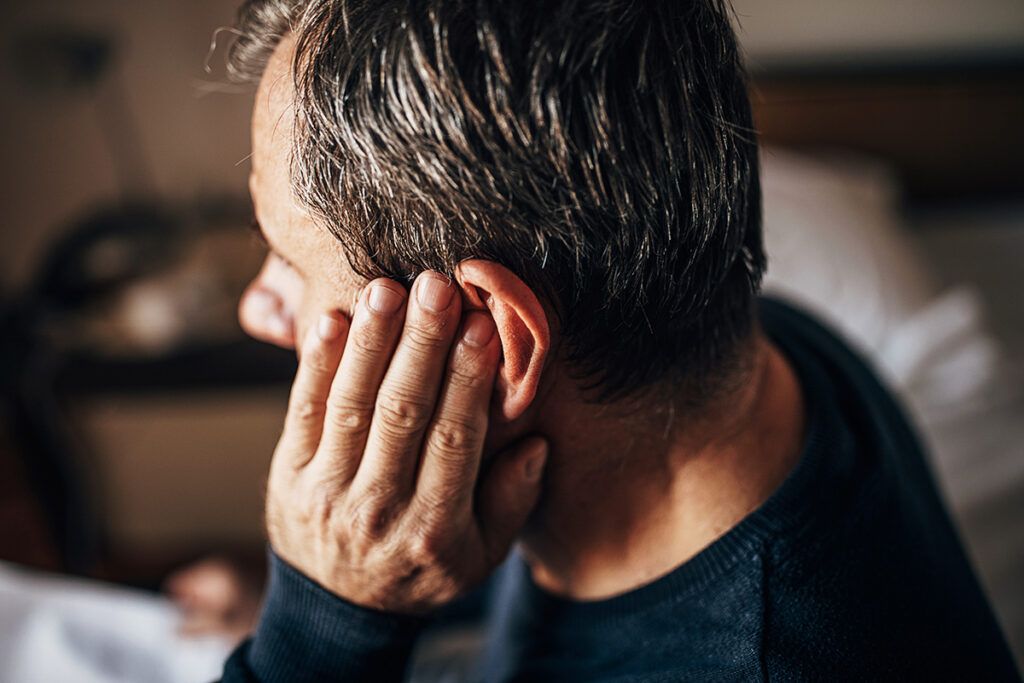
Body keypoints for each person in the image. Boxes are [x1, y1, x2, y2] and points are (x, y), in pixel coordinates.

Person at [218, 0, 1019, 680]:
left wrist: (316, 638)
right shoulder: (761, 347)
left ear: (489, 338)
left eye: (288, 259)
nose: (260, 307)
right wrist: (335, 586)